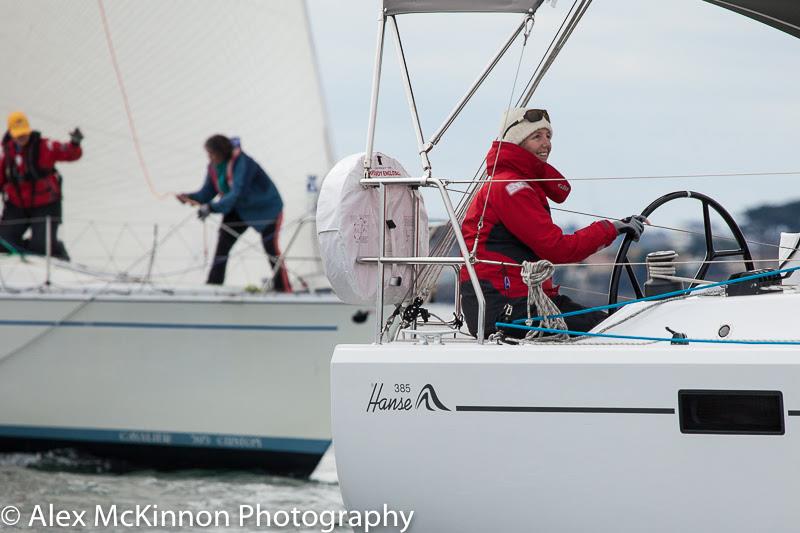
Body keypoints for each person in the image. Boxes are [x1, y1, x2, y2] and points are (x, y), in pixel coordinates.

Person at [459, 107, 646, 338]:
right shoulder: (510, 188)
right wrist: (610, 229)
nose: (545, 143)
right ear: (517, 143)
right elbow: (556, 248)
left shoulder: (517, 183)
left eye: (548, 136)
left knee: (612, 322)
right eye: (536, 137)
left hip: (521, 302)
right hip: (506, 308)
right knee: (613, 328)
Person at [177, 134, 292, 291]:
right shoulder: (213, 167)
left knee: (270, 248)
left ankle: (284, 289)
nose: (209, 157)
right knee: (222, 246)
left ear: (221, 152)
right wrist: (190, 197)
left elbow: (238, 193)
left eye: (211, 153)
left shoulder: (243, 162)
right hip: (239, 210)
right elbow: (207, 193)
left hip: (266, 210)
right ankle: (213, 287)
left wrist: (211, 208)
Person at [0, 111, 82, 260]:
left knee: (40, 249)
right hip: (17, 206)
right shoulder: (7, 153)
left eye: (24, 133)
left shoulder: (44, 146)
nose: (21, 137)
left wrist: (75, 144)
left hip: (45, 204)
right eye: (18, 134)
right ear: (11, 133)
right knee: (3, 243)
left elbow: (68, 153)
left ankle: (55, 249)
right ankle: (29, 250)